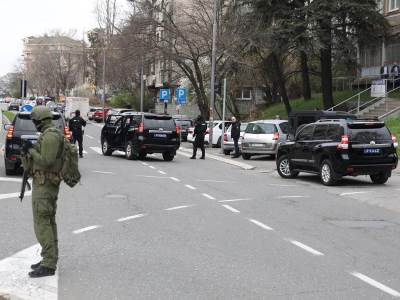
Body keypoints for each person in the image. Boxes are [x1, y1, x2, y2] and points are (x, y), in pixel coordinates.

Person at [22, 106, 64, 278]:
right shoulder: (50, 135)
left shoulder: (50, 136)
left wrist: (31, 150)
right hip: (44, 184)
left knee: (42, 223)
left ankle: (48, 264)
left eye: (34, 121)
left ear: (40, 121)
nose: (34, 124)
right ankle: (49, 258)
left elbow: (46, 161)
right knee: (47, 222)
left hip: (45, 185)